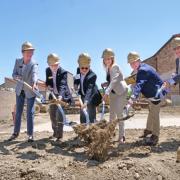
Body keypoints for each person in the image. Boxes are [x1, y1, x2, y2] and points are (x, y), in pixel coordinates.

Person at [127, 51, 167, 146]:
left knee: (154, 114)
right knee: (151, 112)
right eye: (130, 63)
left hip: (157, 95)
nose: (132, 65)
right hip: (154, 94)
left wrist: (133, 97)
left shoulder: (143, 70)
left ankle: (155, 137)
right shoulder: (144, 67)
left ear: (139, 60)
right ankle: (148, 130)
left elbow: (139, 85)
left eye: (134, 62)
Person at [8, 42, 38, 142]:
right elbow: (13, 74)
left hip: (30, 90)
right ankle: (15, 132)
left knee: (30, 113)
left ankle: (30, 135)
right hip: (20, 90)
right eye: (28, 52)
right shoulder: (17, 61)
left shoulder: (33, 64)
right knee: (18, 112)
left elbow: (35, 74)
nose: (30, 54)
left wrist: (34, 83)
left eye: (32, 52)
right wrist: (16, 77)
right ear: (22, 52)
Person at [101, 48, 128, 144]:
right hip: (113, 92)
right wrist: (106, 84)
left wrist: (106, 92)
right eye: (105, 59)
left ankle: (122, 136)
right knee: (112, 115)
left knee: (119, 114)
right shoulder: (108, 68)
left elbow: (115, 80)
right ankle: (110, 134)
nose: (107, 60)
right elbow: (111, 81)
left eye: (109, 59)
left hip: (121, 92)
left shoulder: (115, 66)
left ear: (112, 58)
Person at [45, 53, 72, 141]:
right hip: (52, 95)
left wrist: (60, 96)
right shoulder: (47, 70)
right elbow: (48, 81)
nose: (54, 67)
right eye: (52, 65)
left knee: (59, 115)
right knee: (52, 115)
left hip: (62, 94)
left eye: (56, 65)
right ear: (49, 65)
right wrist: (48, 86)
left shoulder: (63, 72)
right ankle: (55, 132)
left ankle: (59, 136)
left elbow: (63, 85)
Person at [74, 53, 102, 124]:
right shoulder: (78, 70)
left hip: (91, 97)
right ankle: (83, 130)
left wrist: (86, 102)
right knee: (83, 114)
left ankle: (92, 131)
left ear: (89, 66)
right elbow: (77, 79)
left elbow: (89, 89)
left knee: (90, 114)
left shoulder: (93, 76)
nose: (84, 70)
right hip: (82, 95)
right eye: (82, 68)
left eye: (86, 68)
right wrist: (75, 85)